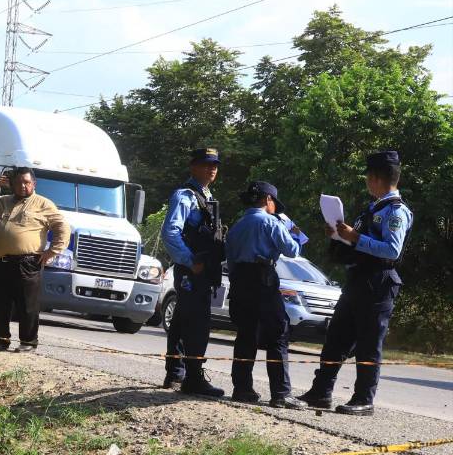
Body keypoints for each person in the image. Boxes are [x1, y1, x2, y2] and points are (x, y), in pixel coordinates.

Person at [300, 150, 413, 416]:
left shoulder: (396, 211)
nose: (366, 181)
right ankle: (321, 392)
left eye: (367, 177)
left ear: (375, 178)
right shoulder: (374, 207)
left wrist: (355, 238)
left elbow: (392, 250)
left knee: (368, 343)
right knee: (336, 338)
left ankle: (364, 399)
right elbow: (360, 243)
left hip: (378, 281)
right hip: (358, 279)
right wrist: (340, 235)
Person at [225, 181, 306, 409]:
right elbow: (293, 250)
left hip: (240, 279)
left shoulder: (237, 225)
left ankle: (242, 388)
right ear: (268, 200)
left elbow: (230, 260)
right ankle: (281, 393)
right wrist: (291, 228)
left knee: (246, 335)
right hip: (263, 278)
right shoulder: (271, 222)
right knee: (278, 332)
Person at [0, 165, 71, 352]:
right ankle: (1, 341)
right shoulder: (1, 201)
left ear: (34, 184)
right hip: (1, 262)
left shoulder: (44, 204)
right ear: (11, 184)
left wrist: (52, 251)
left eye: (27, 182)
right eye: (18, 182)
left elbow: (63, 228)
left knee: (27, 306)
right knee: (1, 304)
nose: (23, 186)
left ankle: (28, 343)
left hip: (27, 263)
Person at [161, 147, 226, 396]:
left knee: (181, 320)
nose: (211, 169)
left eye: (215, 165)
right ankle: (194, 378)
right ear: (193, 167)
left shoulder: (206, 194)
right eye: (206, 164)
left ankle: (175, 374)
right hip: (192, 270)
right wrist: (190, 261)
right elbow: (170, 232)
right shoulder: (185, 195)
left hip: (202, 269)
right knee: (197, 321)